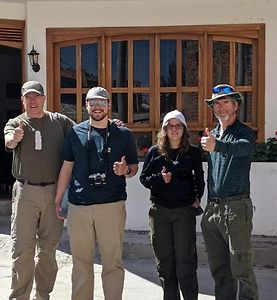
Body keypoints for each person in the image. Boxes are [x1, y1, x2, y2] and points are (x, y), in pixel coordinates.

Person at [54, 86, 139, 300]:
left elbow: (133, 167)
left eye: (102, 102)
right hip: (79, 207)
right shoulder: (75, 132)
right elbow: (67, 166)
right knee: (81, 264)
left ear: (109, 106)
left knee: (112, 263)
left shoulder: (123, 135)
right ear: (86, 106)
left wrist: (125, 170)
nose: (97, 107)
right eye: (93, 102)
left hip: (111, 206)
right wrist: (58, 199)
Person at [3, 80, 75, 300]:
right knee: (22, 249)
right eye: (28, 97)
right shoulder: (16, 123)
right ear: (22, 101)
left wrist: (112, 124)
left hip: (55, 192)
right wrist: (14, 139)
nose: (33, 101)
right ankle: (20, 296)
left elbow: (84, 131)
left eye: (37, 96)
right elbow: (8, 141)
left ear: (44, 98)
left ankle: (42, 295)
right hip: (26, 193)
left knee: (47, 251)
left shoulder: (60, 121)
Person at [200, 84, 258, 300]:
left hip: (236, 207)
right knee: (220, 270)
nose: (220, 107)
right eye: (216, 103)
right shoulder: (212, 134)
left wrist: (218, 145)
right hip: (212, 209)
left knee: (241, 267)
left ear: (235, 106)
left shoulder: (244, 133)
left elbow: (243, 148)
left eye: (225, 102)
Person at [139, 110, 205, 300]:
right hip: (159, 211)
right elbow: (144, 179)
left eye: (178, 126)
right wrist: (160, 179)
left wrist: (197, 197)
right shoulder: (155, 152)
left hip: (184, 211)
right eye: (170, 126)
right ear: (165, 129)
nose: (174, 130)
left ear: (184, 129)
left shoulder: (192, 153)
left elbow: (199, 179)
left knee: (186, 260)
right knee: (165, 261)